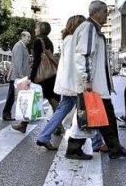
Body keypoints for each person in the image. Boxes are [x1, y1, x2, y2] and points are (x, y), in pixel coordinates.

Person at [66, 0, 126, 160]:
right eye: (105, 12)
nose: (107, 15)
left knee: (100, 118)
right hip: (94, 85)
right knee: (100, 117)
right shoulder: (89, 28)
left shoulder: (91, 28)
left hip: (97, 85)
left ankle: (111, 148)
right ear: (96, 13)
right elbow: (83, 55)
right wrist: (87, 80)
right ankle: (111, 148)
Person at [35, 15, 106, 154]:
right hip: (76, 82)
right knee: (88, 110)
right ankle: (97, 142)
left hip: (67, 82)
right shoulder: (75, 39)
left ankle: (43, 137)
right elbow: (79, 61)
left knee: (63, 110)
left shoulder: (67, 39)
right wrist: (86, 79)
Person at [13, 22, 57, 132]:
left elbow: (37, 60)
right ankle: (58, 126)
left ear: (41, 29)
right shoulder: (49, 41)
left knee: (32, 99)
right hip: (51, 75)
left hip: (41, 76)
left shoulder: (38, 41)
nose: (35, 29)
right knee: (52, 100)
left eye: (37, 27)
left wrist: (31, 78)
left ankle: (23, 125)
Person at [2, 31, 31, 121]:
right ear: (22, 37)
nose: (29, 39)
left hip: (17, 76)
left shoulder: (22, 46)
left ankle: (7, 113)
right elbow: (18, 63)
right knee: (13, 96)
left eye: (30, 37)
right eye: (28, 37)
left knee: (12, 95)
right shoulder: (19, 46)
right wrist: (22, 77)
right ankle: (7, 113)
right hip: (17, 76)